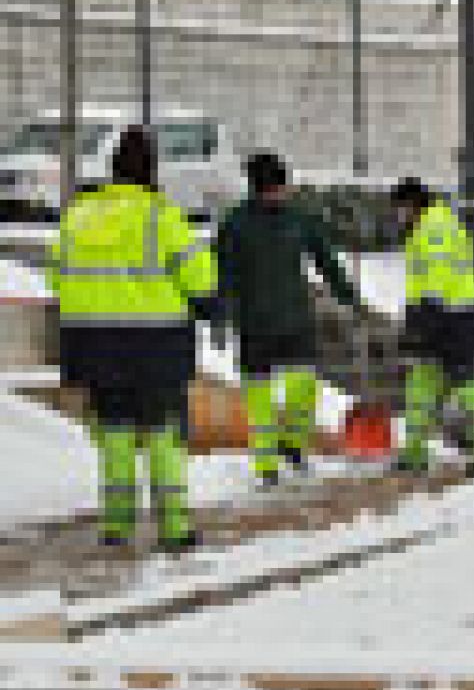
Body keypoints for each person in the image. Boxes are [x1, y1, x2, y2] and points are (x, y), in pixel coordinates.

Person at [48, 127, 216, 551]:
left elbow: (57, 277)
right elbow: (201, 280)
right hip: (154, 344)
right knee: (161, 432)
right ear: (152, 170)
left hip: (91, 343)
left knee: (114, 431)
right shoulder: (162, 216)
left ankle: (117, 526)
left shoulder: (78, 215)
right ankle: (174, 527)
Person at [214, 153, 361, 487]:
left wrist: (347, 294)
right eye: (278, 187)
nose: (284, 192)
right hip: (254, 324)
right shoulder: (235, 225)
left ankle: (293, 443)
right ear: (261, 188)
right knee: (259, 397)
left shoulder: (299, 219)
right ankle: (266, 461)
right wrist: (220, 318)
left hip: (296, 320)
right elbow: (221, 276)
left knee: (303, 387)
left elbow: (324, 259)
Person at [389, 177, 474, 476]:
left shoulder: (433, 229)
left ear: (412, 204)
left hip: (448, 318)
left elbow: (437, 279)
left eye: (399, 209)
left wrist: (424, 321)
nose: (397, 215)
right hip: (444, 315)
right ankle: (414, 451)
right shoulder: (435, 224)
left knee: (465, 386)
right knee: (421, 384)